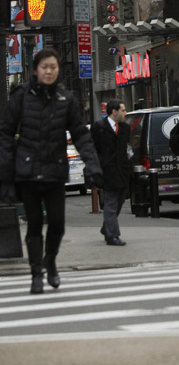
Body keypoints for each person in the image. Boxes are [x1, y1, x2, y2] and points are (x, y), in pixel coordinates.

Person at [0, 48, 103, 294]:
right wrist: (6, 171)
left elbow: (80, 134)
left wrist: (93, 164)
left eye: (53, 67)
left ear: (58, 71)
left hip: (56, 171)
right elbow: (5, 133)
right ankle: (37, 273)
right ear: (35, 70)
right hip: (27, 172)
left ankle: (51, 261)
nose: (49, 71)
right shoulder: (21, 97)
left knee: (57, 223)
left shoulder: (66, 99)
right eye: (44, 67)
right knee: (35, 224)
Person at [91, 99, 131, 246]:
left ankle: (107, 228)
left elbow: (126, 149)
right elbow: (93, 149)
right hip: (107, 171)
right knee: (110, 203)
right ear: (114, 112)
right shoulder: (99, 127)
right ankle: (112, 235)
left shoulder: (125, 128)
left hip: (122, 172)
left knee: (119, 202)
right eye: (123, 110)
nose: (125, 113)